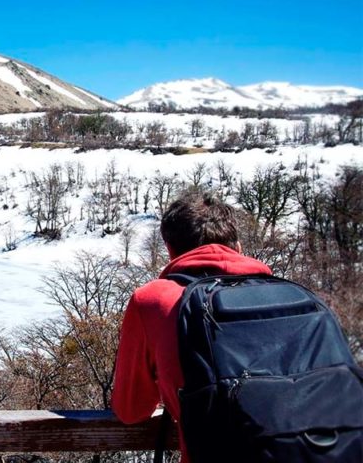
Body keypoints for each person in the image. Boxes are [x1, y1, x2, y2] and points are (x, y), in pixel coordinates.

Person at [111, 192, 271, 462]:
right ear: (239, 247)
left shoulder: (154, 302)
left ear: (169, 249)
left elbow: (131, 408)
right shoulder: (289, 298)